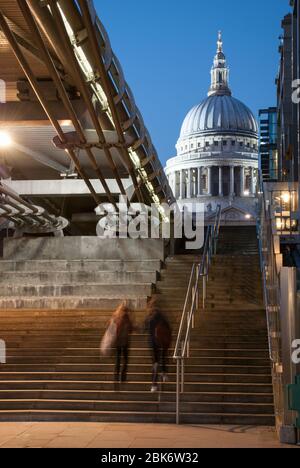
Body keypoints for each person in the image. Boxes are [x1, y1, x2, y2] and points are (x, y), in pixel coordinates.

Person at [145, 297, 172, 392]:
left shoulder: (149, 316)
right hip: (161, 342)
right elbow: (168, 328)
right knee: (163, 356)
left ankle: (154, 384)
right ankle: (164, 373)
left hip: (152, 343)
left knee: (155, 363)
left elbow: (144, 329)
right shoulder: (161, 315)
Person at [110, 302, 133, 387]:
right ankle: (122, 378)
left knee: (118, 361)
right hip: (125, 342)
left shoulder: (115, 317)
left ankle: (116, 378)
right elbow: (130, 329)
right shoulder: (126, 317)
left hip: (117, 342)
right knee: (125, 360)